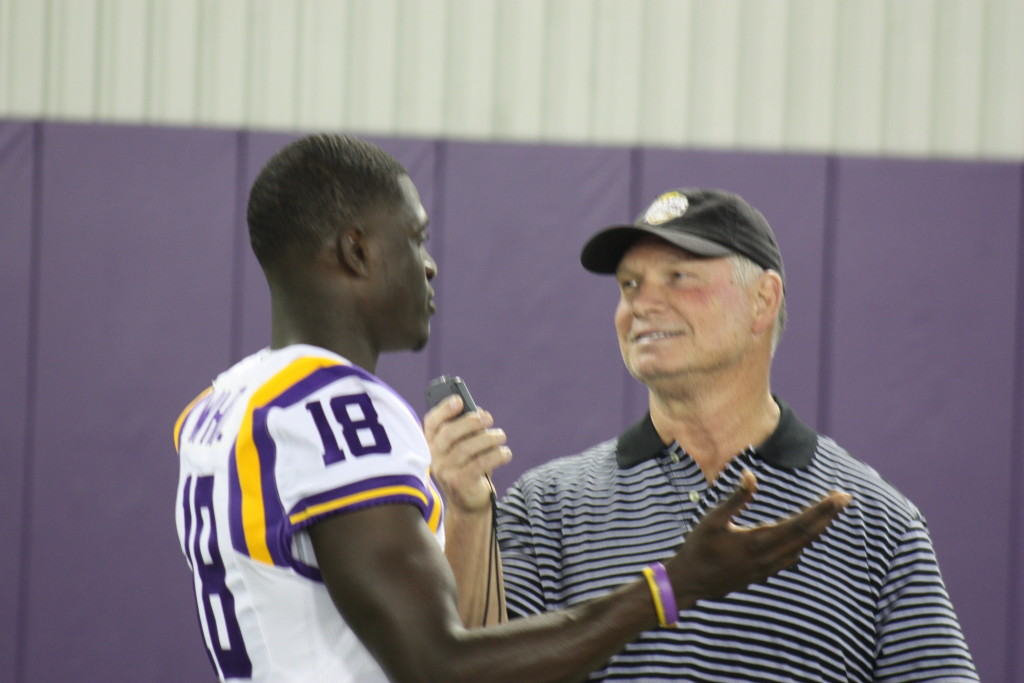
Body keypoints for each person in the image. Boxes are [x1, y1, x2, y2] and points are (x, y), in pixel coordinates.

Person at [173, 136, 850, 682]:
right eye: (415, 238)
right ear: (357, 249)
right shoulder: (338, 407)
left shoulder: (220, 403)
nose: (430, 265)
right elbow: (442, 663)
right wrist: (671, 587)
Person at [429, 188, 979, 681]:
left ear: (763, 300)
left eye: (679, 277)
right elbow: (473, 674)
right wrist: (470, 516)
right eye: (630, 284)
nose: (641, 304)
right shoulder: (549, 506)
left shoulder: (877, 523)